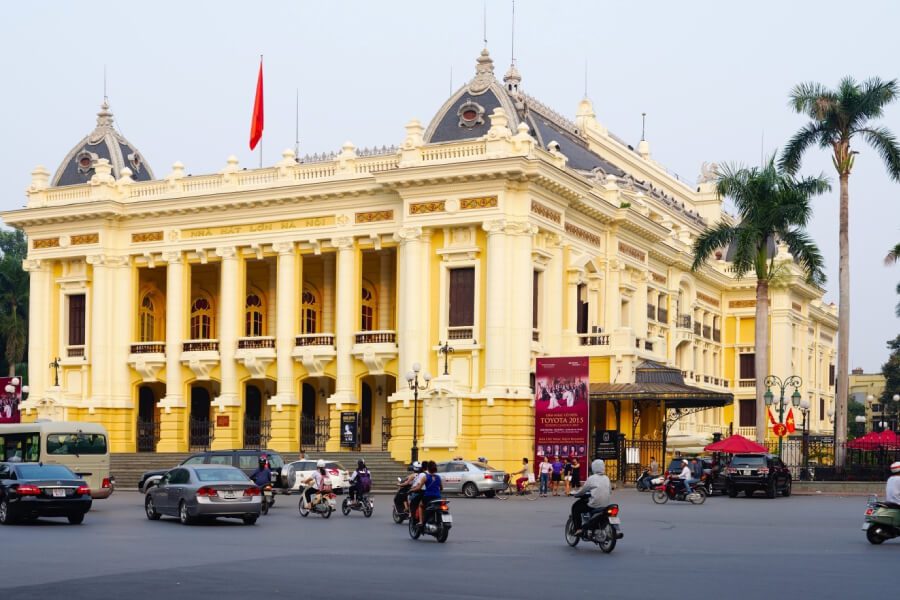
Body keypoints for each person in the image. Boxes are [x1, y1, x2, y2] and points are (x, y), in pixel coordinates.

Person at [571, 459, 612, 536]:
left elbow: (583, 490)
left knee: (576, 508)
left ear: (594, 467)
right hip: (605, 504)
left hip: (594, 505)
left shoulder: (592, 478)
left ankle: (578, 529)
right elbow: (610, 491)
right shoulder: (607, 478)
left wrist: (576, 494)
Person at [420, 461, 443, 527]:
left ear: (428, 468)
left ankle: (421, 522)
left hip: (428, 497)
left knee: (420, 505)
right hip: (438, 498)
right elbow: (441, 488)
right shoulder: (438, 477)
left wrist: (412, 489)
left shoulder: (425, 477)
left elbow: (419, 487)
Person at [408, 461, 429, 526]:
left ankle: (415, 519)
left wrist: (411, 490)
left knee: (415, 504)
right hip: (435, 494)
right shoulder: (436, 476)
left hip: (423, 492)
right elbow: (441, 487)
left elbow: (418, 486)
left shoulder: (422, 475)